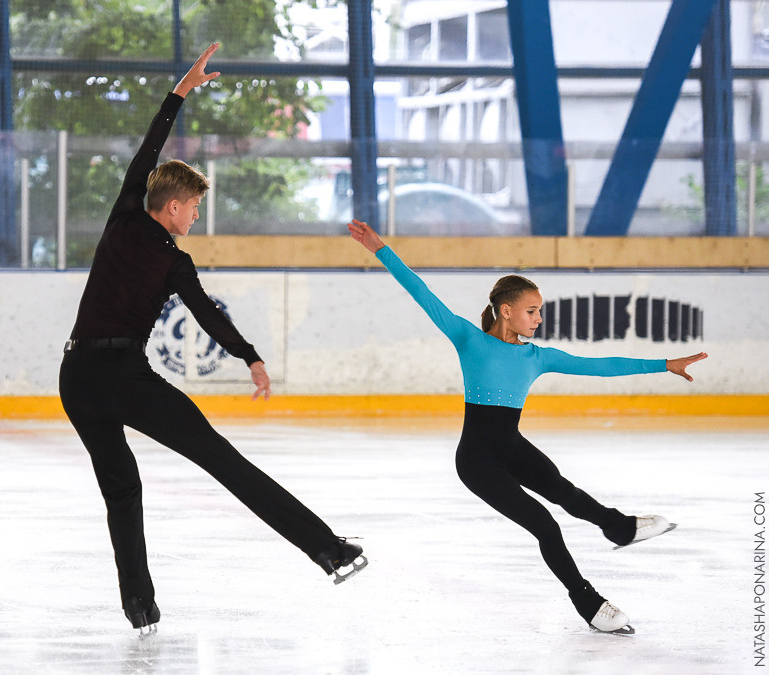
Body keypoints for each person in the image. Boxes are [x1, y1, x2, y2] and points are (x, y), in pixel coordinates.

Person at [58, 43, 366, 634]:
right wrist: (248, 355)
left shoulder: (127, 218)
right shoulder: (172, 256)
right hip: (124, 379)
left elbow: (205, 311)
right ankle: (326, 548)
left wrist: (180, 92)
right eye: (194, 207)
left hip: (76, 378)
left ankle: (139, 608)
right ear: (172, 205)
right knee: (222, 460)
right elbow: (208, 316)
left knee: (123, 491)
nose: (195, 216)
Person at [347, 218, 706, 635]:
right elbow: (421, 293)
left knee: (566, 493)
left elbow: (600, 367)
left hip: (512, 448)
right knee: (546, 526)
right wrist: (380, 249)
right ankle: (591, 606)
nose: (538, 319)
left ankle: (622, 527)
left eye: (540, 312)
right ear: (506, 311)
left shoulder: (536, 356)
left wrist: (664, 364)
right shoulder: (468, 339)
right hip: (478, 465)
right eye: (531, 311)